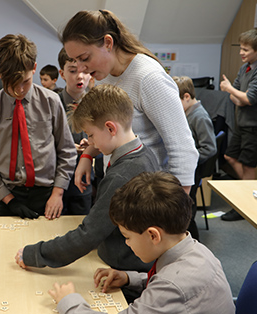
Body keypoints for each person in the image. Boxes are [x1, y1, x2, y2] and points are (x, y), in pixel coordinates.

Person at [15, 84, 161, 302]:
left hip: (122, 269)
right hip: (128, 261)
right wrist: (88, 156)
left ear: (111, 128)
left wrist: (36, 254)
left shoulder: (122, 176)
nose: (89, 143)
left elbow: (89, 234)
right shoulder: (143, 152)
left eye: (91, 136)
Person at [49, 171, 236, 314]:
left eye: (127, 236)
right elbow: (170, 284)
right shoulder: (194, 249)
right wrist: (130, 278)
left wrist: (70, 302)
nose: (126, 243)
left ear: (153, 235)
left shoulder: (174, 286)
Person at [62, 10, 198, 195]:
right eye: (75, 61)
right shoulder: (103, 75)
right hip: (121, 187)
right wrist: (87, 155)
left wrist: (173, 208)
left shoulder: (148, 78)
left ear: (108, 43)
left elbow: (182, 149)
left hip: (151, 196)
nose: (81, 68)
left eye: (85, 58)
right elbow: (108, 131)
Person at [0, 34, 76, 220]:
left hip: (47, 195)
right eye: (12, 83)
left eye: (26, 81)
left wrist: (58, 193)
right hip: (6, 196)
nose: (20, 89)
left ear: (34, 68)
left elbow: (67, 151)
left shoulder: (51, 102)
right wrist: (9, 200)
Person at [219, 28, 257, 221]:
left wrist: (231, 90)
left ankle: (245, 206)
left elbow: (248, 98)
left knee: (249, 166)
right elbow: (239, 97)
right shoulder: (246, 67)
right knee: (230, 156)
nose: (241, 52)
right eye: (241, 48)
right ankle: (248, 192)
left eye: (246, 50)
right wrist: (238, 95)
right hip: (243, 122)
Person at [173, 76, 217, 240]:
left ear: (186, 97)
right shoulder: (188, 113)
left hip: (193, 168)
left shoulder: (199, 116)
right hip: (190, 166)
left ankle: (193, 241)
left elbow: (209, 148)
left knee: (186, 210)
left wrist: (188, 159)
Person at [57, 47, 93, 215]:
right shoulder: (52, 104)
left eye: (84, 72)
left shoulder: (98, 104)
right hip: (56, 181)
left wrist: (93, 148)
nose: (79, 76)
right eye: (72, 71)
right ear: (62, 74)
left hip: (86, 182)